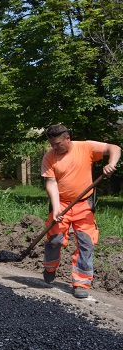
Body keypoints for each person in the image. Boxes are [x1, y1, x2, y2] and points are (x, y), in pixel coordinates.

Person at [41, 123, 120, 299]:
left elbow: (114, 147)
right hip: (61, 203)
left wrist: (111, 164)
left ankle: (81, 282)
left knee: (86, 243)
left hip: (84, 204)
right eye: (52, 144)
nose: (55, 147)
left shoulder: (85, 147)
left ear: (67, 138)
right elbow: (51, 183)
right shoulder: (49, 157)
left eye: (58, 144)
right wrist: (56, 207)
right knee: (55, 241)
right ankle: (50, 267)